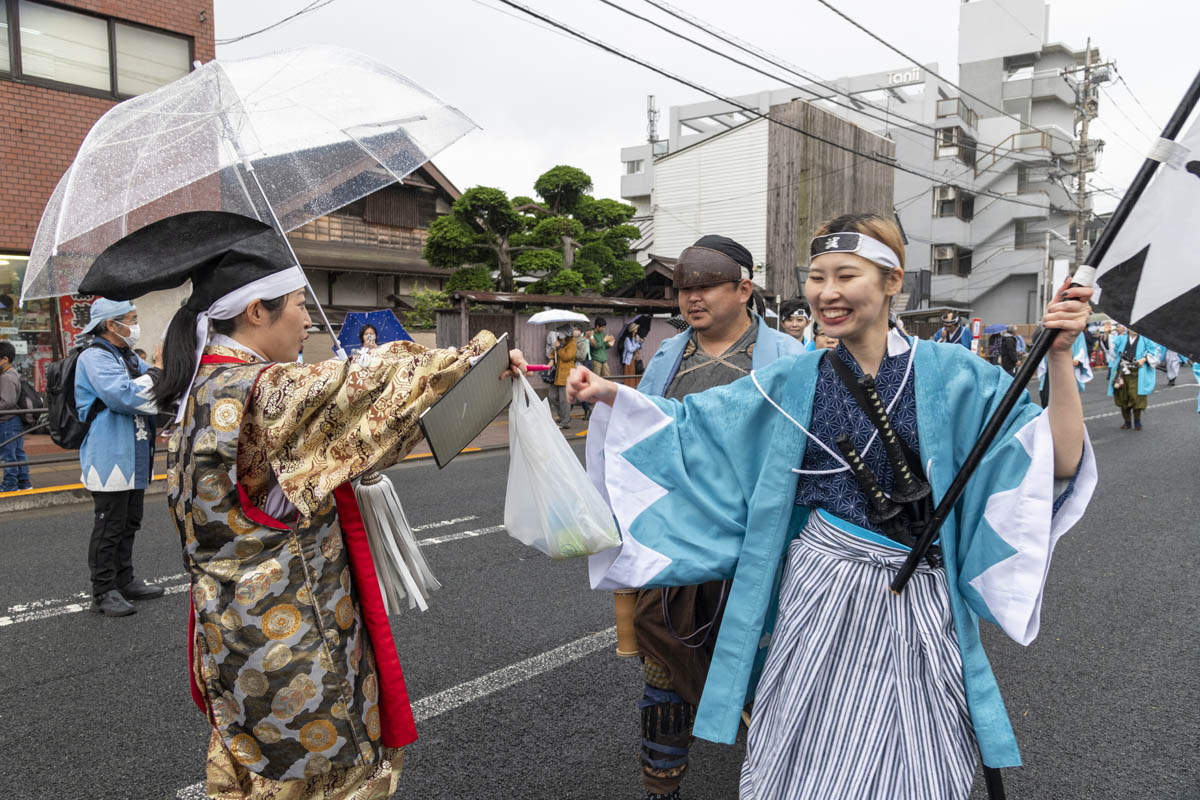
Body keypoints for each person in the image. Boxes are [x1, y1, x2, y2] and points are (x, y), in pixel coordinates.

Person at [569, 212, 1096, 800]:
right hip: (815, 595)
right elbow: (696, 428)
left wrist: (1059, 357)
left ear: (892, 281)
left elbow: (1057, 459)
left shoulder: (956, 375)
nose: (827, 293)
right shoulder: (792, 378)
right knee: (804, 759)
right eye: (817, 277)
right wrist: (608, 393)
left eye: (846, 275)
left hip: (916, 600)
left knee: (919, 761)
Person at [77, 211, 525, 799]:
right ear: (255, 310)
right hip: (297, 633)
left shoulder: (200, 390)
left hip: (230, 629)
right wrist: (475, 362)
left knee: (253, 769)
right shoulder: (264, 391)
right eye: (295, 301)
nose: (307, 315)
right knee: (322, 778)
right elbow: (363, 388)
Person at [627, 235, 804, 800]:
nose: (691, 299)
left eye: (705, 286)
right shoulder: (666, 357)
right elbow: (639, 436)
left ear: (744, 289)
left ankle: (779, 772)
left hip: (760, 543)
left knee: (766, 661)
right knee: (661, 662)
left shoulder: (788, 359)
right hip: (679, 538)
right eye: (684, 289)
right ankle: (663, 784)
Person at [73, 297, 165, 617]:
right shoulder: (94, 356)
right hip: (109, 454)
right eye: (132, 318)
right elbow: (121, 395)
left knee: (130, 521)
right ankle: (102, 590)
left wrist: (163, 372)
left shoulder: (124, 355)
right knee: (109, 525)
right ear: (111, 325)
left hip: (135, 452)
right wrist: (160, 375)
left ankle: (124, 580)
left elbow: (158, 380)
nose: (136, 325)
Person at [1106, 327, 1161, 430]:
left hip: (1138, 373)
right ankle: (1127, 421)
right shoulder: (1120, 339)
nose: (1133, 329)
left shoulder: (1146, 339)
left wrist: (1144, 359)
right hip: (1122, 372)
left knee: (1137, 397)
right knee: (1122, 396)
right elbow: (1112, 352)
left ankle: (1137, 421)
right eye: (1131, 327)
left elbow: (1155, 353)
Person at [0, 340, 32, 492]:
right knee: (18, 453)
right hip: (15, 420)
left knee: (9, 456)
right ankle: (24, 483)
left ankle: (10, 485)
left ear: (5, 359)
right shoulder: (14, 373)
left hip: (7, 421)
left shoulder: (6, 377)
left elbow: (6, 402)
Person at [549, 325, 577, 428]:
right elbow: (552, 353)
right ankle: (563, 417)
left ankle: (565, 422)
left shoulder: (572, 343)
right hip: (556, 374)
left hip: (566, 374)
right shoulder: (559, 340)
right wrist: (551, 360)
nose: (559, 334)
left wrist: (559, 348)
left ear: (567, 333)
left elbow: (567, 356)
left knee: (564, 399)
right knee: (552, 396)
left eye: (561, 332)